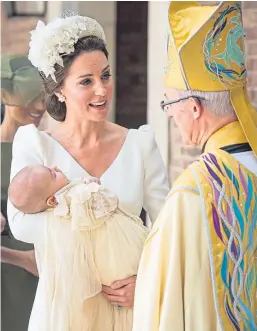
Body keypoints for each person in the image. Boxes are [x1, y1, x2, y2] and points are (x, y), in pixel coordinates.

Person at [7, 15, 170, 331]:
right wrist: (91, 211)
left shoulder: (139, 145)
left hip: (128, 313)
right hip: (60, 313)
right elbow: (20, 225)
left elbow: (166, 229)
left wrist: (148, 281)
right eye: (86, 81)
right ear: (58, 91)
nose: (102, 90)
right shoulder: (35, 143)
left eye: (105, 76)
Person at [133, 2, 257, 331]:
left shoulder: (195, 191)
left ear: (194, 107)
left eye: (169, 103)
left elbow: (163, 308)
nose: (169, 114)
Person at [8, 164, 149, 330]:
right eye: (53, 174)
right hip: (116, 255)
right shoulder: (75, 200)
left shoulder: (67, 201)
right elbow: (106, 201)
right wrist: (92, 186)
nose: (56, 168)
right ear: (52, 200)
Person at [1, 54, 45, 331]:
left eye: (43, 98)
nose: (40, 107)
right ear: (5, 96)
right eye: (31, 99)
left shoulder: (49, 149)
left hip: (44, 261)